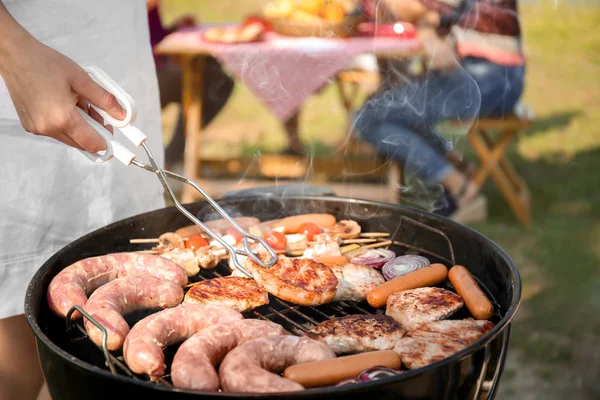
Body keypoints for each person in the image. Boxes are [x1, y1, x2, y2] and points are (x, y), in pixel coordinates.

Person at [0, 1, 166, 399]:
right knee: (16, 373)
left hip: (115, 66)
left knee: (87, 379)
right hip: (17, 80)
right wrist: (12, 51)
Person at [354, 0, 525, 220]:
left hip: (488, 78)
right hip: (492, 74)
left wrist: (424, 26)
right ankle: (456, 166)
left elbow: (416, 8)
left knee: (370, 118)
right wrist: (426, 28)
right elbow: (431, 13)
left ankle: (459, 187)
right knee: (384, 109)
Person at [146, 0, 234, 169]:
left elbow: (149, 31)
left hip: (156, 62)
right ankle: (172, 158)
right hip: (145, 73)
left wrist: (172, 29)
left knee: (213, 67)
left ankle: (173, 156)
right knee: (217, 83)